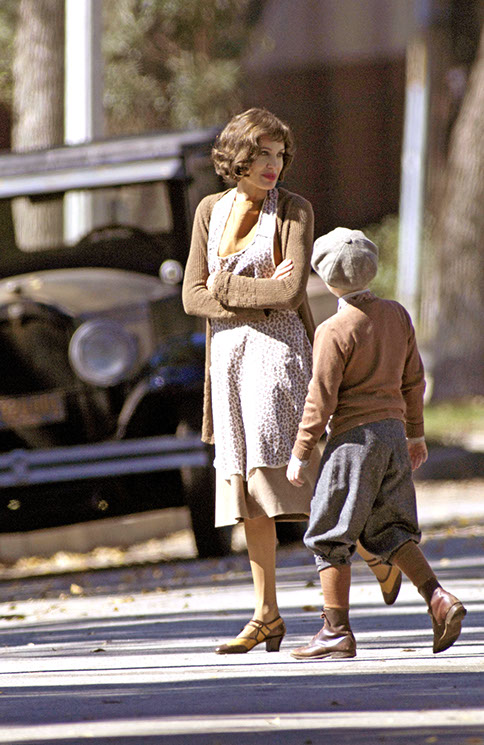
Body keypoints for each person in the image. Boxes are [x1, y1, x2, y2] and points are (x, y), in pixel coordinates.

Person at [182, 108, 400, 656]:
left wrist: (223, 286)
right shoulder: (210, 210)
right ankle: (266, 615)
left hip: (278, 357)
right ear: (237, 156)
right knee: (246, 491)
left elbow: (289, 292)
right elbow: (190, 296)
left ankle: (374, 550)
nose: (272, 165)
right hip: (227, 365)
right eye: (261, 154)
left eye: (279, 155)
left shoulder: (293, 210)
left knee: (294, 481)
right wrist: (243, 292)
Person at [286, 227, 467, 659]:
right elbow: (414, 379)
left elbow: (320, 399)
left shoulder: (333, 330)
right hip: (391, 434)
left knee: (329, 534)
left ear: (326, 278)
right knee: (391, 529)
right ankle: (439, 599)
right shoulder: (396, 315)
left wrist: (301, 451)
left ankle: (336, 631)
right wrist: (415, 433)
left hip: (353, 442)